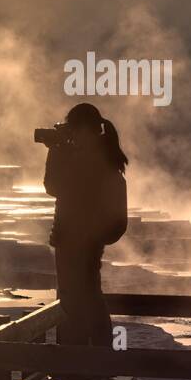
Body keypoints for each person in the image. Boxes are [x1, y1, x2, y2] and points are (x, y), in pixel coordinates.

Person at [42, 102, 129, 346]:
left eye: (73, 130)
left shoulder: (89, 160)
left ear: (84, 130)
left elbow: (53, 186)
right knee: (87, 296)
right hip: (78, 239)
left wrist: (57, 150)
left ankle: (85, 361)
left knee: (79, 300)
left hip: (77, 241)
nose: (71, 136)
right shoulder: (101, 156)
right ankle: (94, 360)